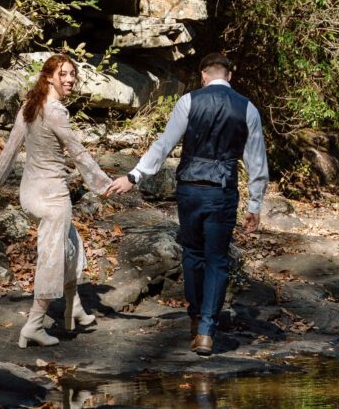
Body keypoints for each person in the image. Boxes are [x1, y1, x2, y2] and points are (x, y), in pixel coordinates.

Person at [106, 52, 269, 356]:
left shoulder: (189, 101)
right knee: (218, 259)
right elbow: (257, 161)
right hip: (222, 191)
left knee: (193, 254)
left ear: (204, 75)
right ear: (229, 76)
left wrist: (135, 175)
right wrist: (255, 205)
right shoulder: (247, 108)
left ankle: (195, 316)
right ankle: (207, 329)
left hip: (190, 189)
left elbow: (164, 144)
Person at [0, 54, 113, 348]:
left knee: (72, 245)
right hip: (53, 197)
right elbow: (77, 151)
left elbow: (10, 149)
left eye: (72, 74)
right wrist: (103, 185)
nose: (70, 79)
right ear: (48, 78)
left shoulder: (29, 107)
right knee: (53, 259)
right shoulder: (55, 111)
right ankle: (33, 325)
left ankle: (74, 309)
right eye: (64, 74)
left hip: (30, 194)